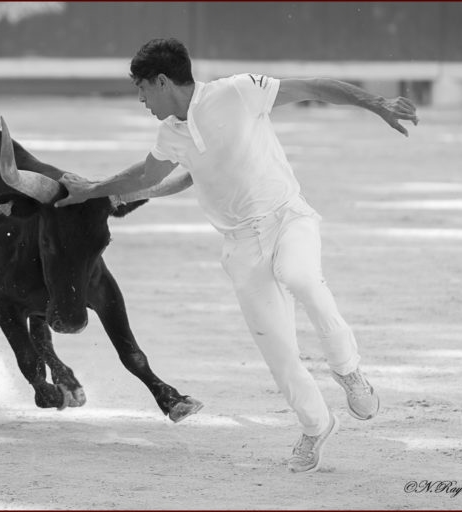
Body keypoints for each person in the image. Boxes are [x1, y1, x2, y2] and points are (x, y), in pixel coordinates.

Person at [55, 38, 418, 473]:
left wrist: (376, 103)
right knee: (277, 350)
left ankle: (348, 370)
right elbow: (155, 175)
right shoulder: (171, 132)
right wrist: (98, 192)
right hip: (241, 246)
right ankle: (316, 425)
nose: (141, 99)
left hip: (287, 217)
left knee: (300, 276)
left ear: (163, 81)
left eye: (142, 89)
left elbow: (316, 88)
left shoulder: (237, 91)